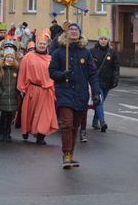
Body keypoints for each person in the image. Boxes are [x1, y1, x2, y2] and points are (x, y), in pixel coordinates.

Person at [49, 23, 101, 169]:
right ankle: (66, 154)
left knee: (75, 127)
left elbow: (92, 74)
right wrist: (61, 75)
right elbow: (51, 72)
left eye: (76, 29)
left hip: (81, 94)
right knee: (67, 124)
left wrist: (96, 92)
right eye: (71, 29)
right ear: (66, 33)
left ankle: (71, 154)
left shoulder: (85, 52)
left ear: (80, 33)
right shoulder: (59, 52)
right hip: (64, 93)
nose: (73, 32)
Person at [17, 33, 58, 145]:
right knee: (30, 113)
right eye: (40, 43)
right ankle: (26, 131)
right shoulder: (28, 57)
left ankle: (41, 136)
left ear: (47, 45)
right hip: (32, 90)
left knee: (45, 115)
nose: (41, 45)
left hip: (47, 91)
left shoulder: (51, 59)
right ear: (36, 44)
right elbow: (22, 73)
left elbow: (54, 74)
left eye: (44, 44)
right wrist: (21, 88)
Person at [89, 28, 120, 133]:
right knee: (99, 102)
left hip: (107, 82)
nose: (103, 41)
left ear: (108, 41)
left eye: (105, 39)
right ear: (98, 40)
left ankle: (94, 121)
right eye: (101, 39)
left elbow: (116, 67)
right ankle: (102, 123)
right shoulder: (92, 52)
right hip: (95, 82)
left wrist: (115, 79)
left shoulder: (111, 53)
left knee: (100, 102)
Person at [0, 43, 20, 143]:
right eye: (8, 57)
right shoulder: (1, 67)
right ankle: (1, 133)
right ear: (5, 57)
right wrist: (0, 93)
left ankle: (8, 133)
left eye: (11, 57)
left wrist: (17, 92)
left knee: (10, 116)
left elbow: (18, 81)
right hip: (3, 96)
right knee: (4, 115)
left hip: (12, 96)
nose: (10, 59)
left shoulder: (16, 69)